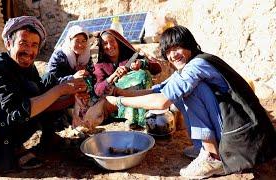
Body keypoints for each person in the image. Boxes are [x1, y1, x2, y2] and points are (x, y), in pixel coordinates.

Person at [105, 25, 276, 179]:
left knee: (191, 91)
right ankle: (203, 147)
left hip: (246, 138)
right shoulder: (193, 64)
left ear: (189, 45)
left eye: (177, 47)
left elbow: (162, 102)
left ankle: (212, 157)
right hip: (243, 131)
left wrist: (119, 102)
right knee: (180, 90)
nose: (173, 55)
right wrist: (123, 93)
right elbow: (160, 89)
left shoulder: (197, 66)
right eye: (168, 51)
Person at [0, 16, 87, 173]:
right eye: (23, 43)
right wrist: (61, 90)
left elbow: (43, 98)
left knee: (47, 83)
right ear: (8, 43)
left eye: (34, 45)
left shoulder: (28, 67)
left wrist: (72, 95)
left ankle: (48, 139)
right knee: (49, 90)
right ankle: (15, 149)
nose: (29, 51)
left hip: (11, 127)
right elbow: (18, 111)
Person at [93, 29, 161, 127]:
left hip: (137, 96)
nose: (109, 46)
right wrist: (113, 77)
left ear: (118, 42)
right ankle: (133, 119)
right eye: (105, 43)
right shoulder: (100, 66)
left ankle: (143, 118)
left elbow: (157, 69)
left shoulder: (131, 58)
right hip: (116, 104)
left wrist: (142, 64)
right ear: (102, 47)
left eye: (112, 41)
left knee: (142, 73)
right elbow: (98, 90)